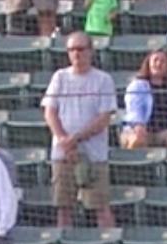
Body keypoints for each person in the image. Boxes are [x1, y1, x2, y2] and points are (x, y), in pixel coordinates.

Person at [42, 34, 118, 230]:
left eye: (81, 49)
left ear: (90, 51)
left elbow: (104, 119)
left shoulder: (103, 80)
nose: (76, 53)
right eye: (72, 49)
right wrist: (62, 139)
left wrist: (74, 139)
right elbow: (50, 111)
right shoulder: (59, 77)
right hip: (62, 154)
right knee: (63, 207)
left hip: (94, 154)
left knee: (101, 206)